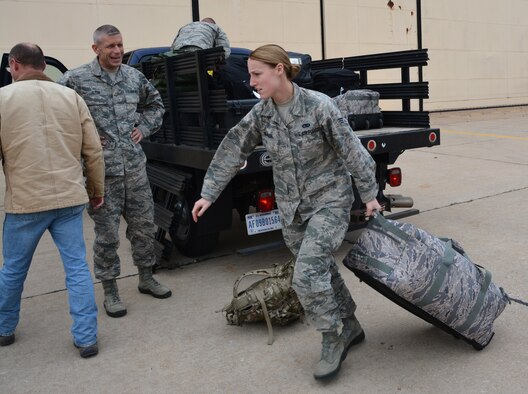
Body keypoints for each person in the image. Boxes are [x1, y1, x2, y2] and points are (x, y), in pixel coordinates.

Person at [192, 44, 382, 380]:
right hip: (292, 209)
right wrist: (209, 192)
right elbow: (233, 147)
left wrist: (369, 194)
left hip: (329, 202)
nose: (251, 81)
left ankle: (331, 337)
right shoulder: (262, 113)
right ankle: (350, 324)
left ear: (279, 69)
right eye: (250, 74)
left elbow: (353, 151)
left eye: (257, 74)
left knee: (306, 276)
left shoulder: (319, 107)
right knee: (321, 269)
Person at [59, 25, 172, 319]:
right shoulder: (76, 79)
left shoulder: (134, 78)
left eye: (120, 45)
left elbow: (156, 105)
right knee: (107, 236)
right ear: (95, 49)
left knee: (144, 228)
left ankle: (146, 277)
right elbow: (57, 115)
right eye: (110, 46)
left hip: (135, 170)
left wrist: (143, 128)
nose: (117, 51)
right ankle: (110, 290)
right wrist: (84, 139)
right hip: (102, 175)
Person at [0, 43, 105, 358]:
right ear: (44, 65)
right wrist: (96, 191)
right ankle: (86, 339)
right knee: (77, 268)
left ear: (15, 64)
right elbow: (93, 151)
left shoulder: (2, 100)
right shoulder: (71, 97)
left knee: (14, 269)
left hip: (25, 203)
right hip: (69, 200)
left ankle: (4, 329)